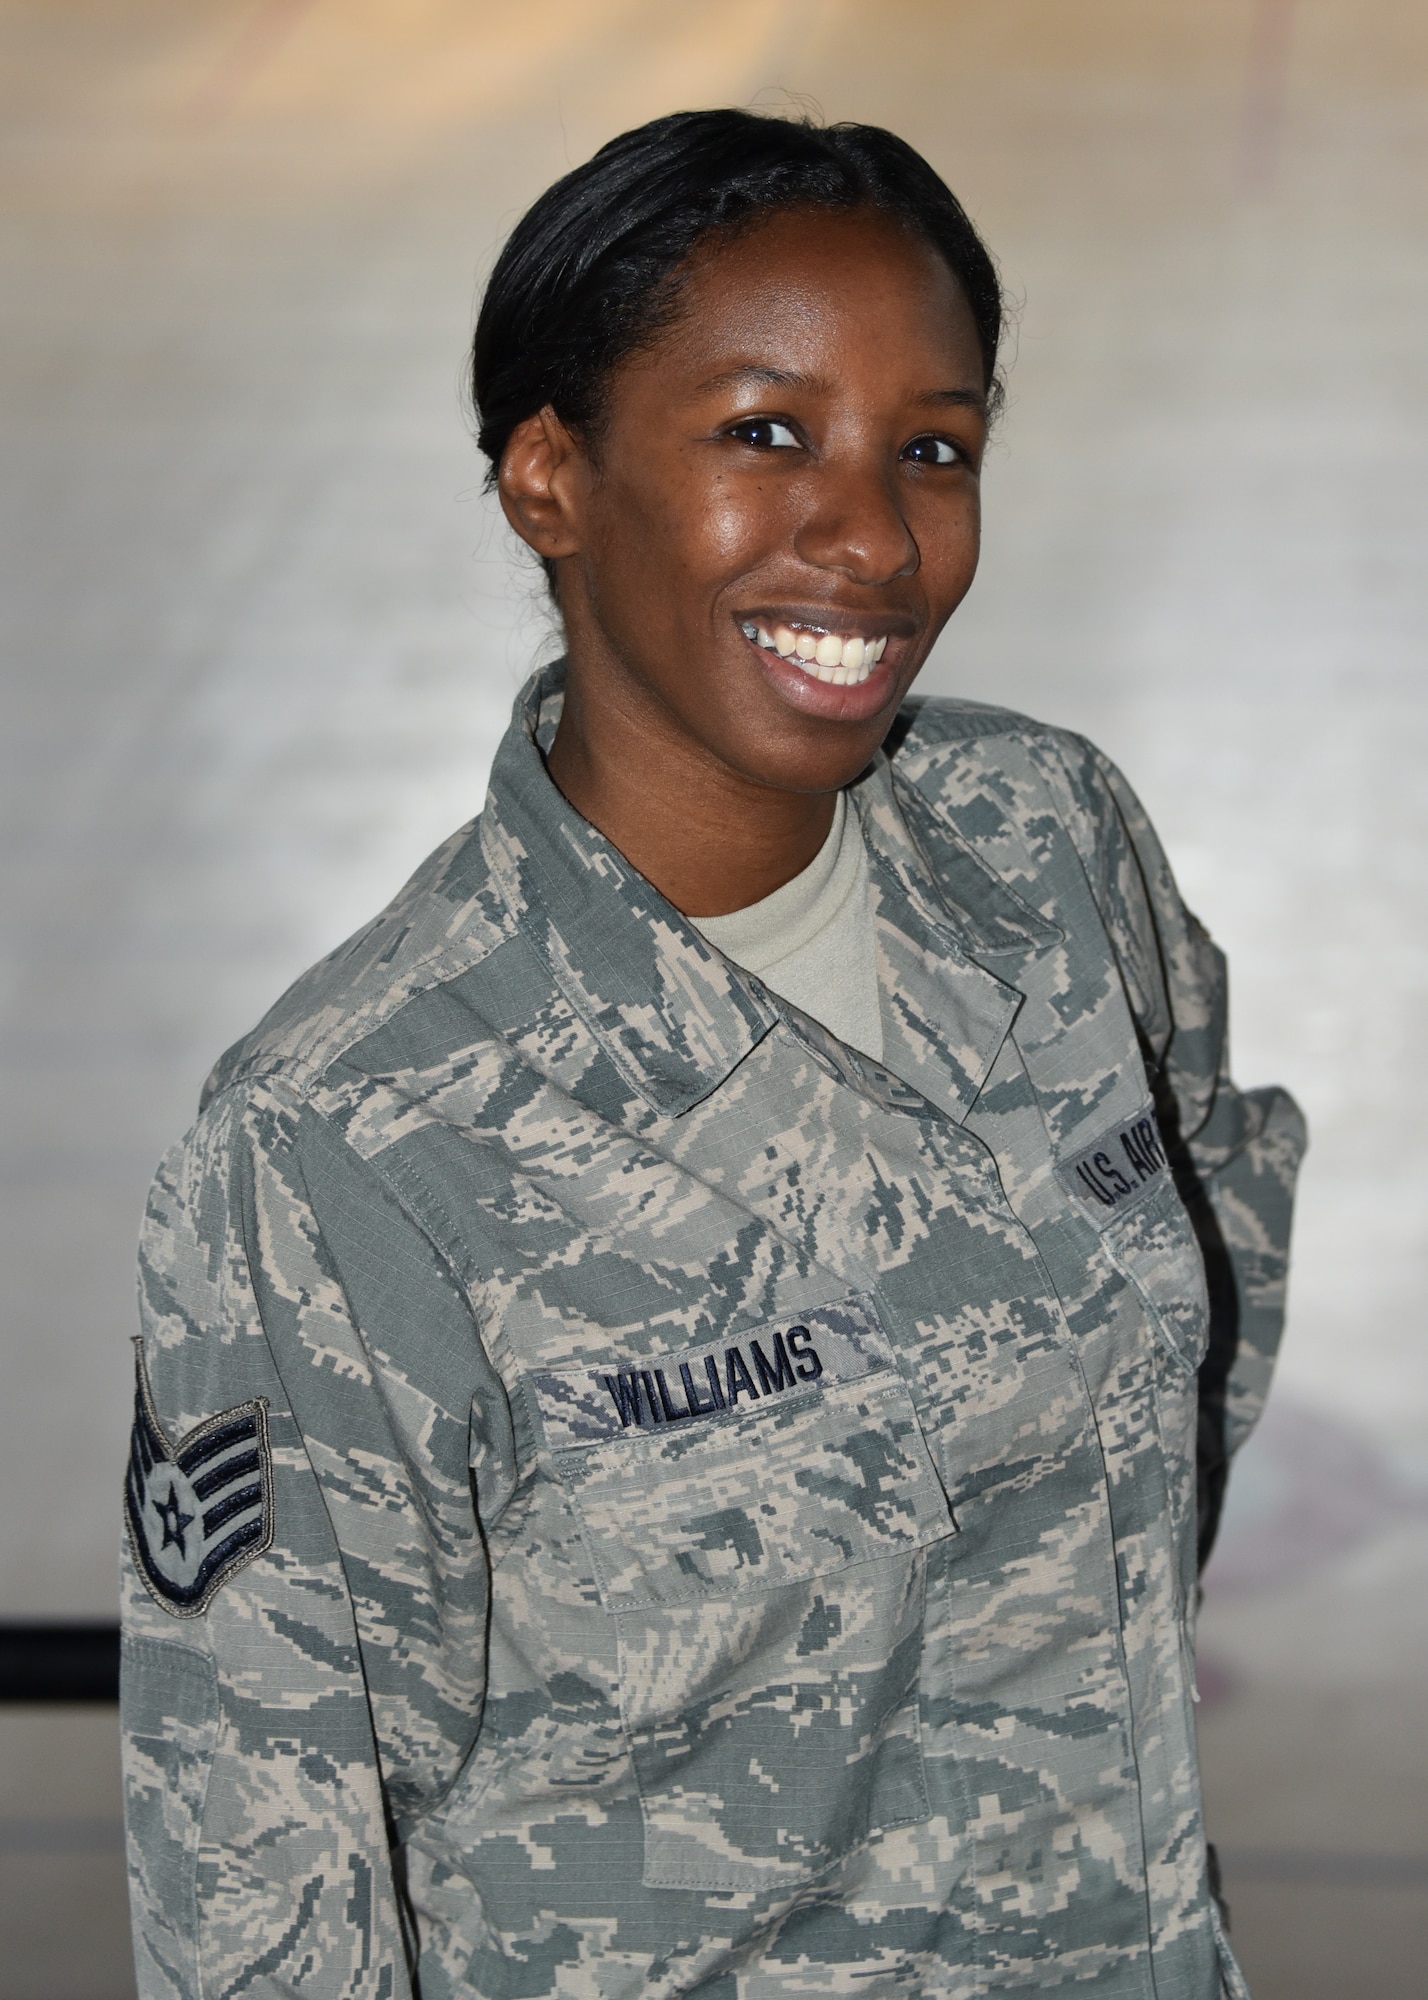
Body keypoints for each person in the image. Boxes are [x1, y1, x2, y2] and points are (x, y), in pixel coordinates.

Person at [120, 109, 1305, 2000]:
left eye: (936, 446)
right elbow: (265, 1897)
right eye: (767, 431)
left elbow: (1209, 1242)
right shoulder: (348, 1138)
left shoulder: (1045, 842)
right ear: (548, 479)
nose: (872, 533)